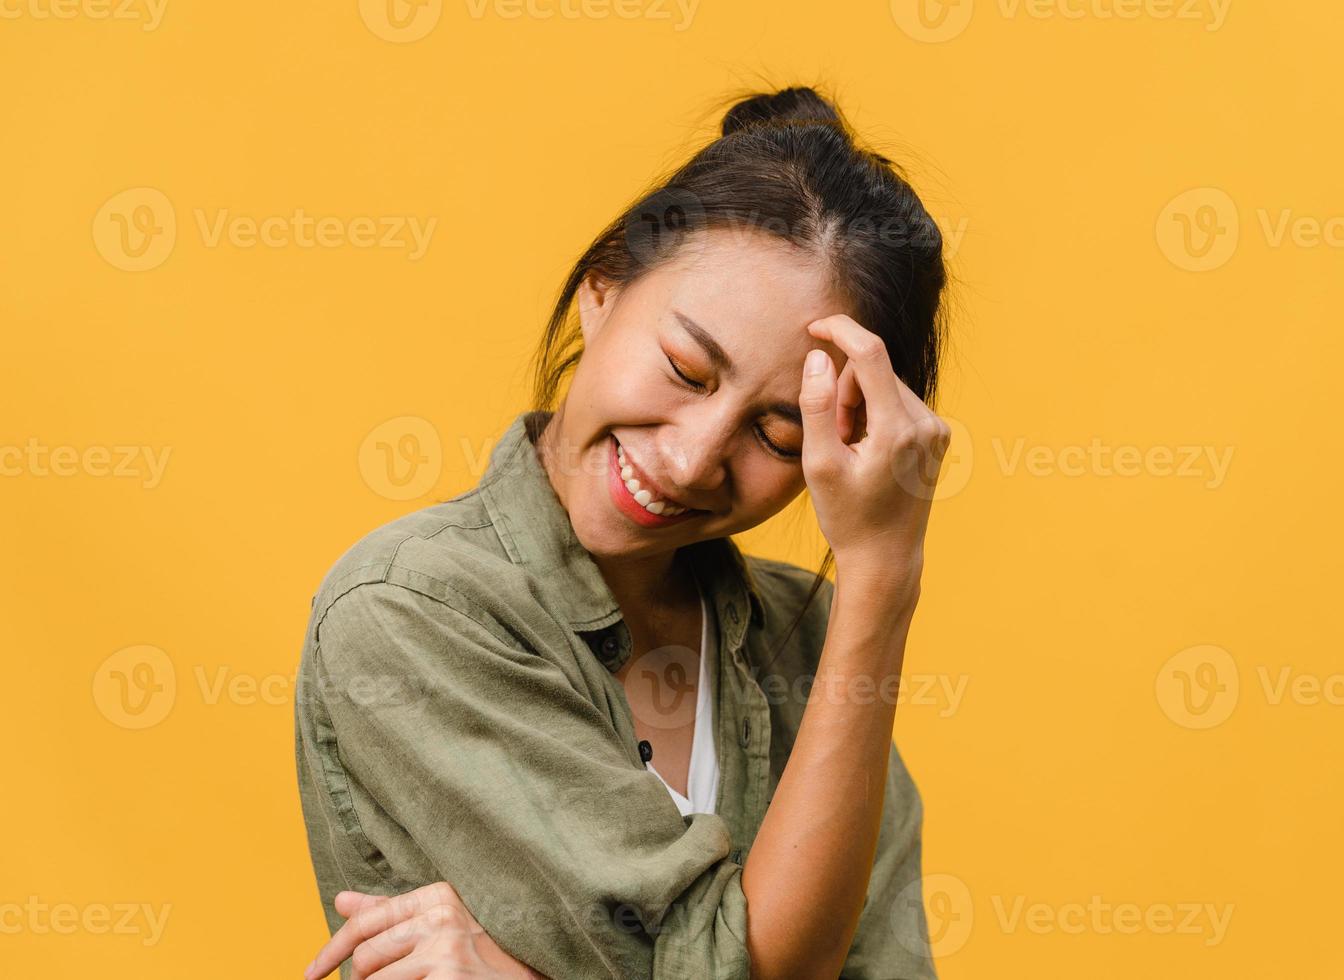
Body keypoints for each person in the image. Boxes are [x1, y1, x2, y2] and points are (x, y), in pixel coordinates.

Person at [295, 82, 953, 979]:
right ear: (600, 292)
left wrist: (882, 575)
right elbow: (739, 972)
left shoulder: (815, 643)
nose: (690, 462)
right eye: (686, 370)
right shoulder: (412, 610)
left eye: (776, 434)